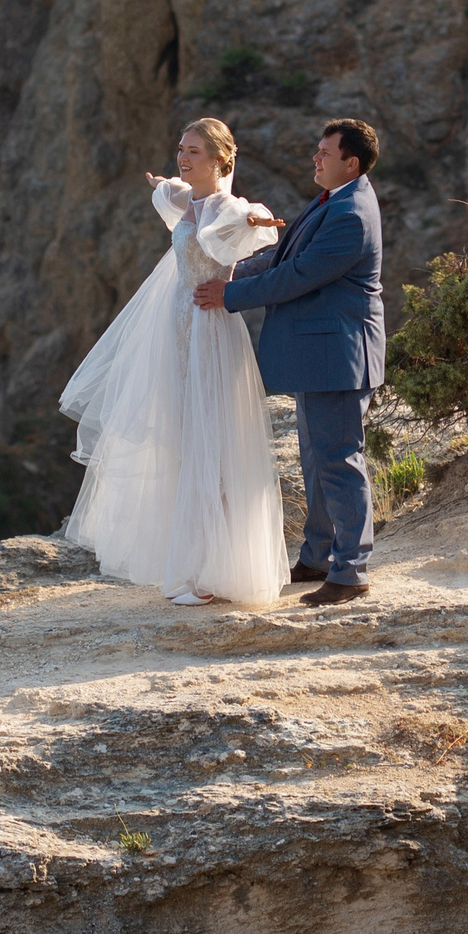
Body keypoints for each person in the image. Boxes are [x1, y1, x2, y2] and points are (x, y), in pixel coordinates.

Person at [56, 117, 288, 605]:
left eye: (195, 152)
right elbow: (170, 192)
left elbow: (247, 218)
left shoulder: (226, 207)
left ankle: (211, 572)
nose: (183, 158)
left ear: (222, 159)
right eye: (181, 149)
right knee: (181, 441)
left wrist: (256, 223)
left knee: (211, 442)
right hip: (177, 326)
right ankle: (190, 563)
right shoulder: (187, 199)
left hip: (209, 329)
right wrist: (162, 183)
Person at [193, 118, 383, 606]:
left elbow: (300, 275)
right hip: (318, 354)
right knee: (317, 462)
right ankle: (319, 556)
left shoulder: (352, 213)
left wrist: (229, 293)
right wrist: (227, 271)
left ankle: (352, 571)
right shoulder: (331, 200)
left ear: (351, 162)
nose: (315, 159)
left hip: (339, 354)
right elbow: (280, 260)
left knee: (340, 461)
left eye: (324, 152)